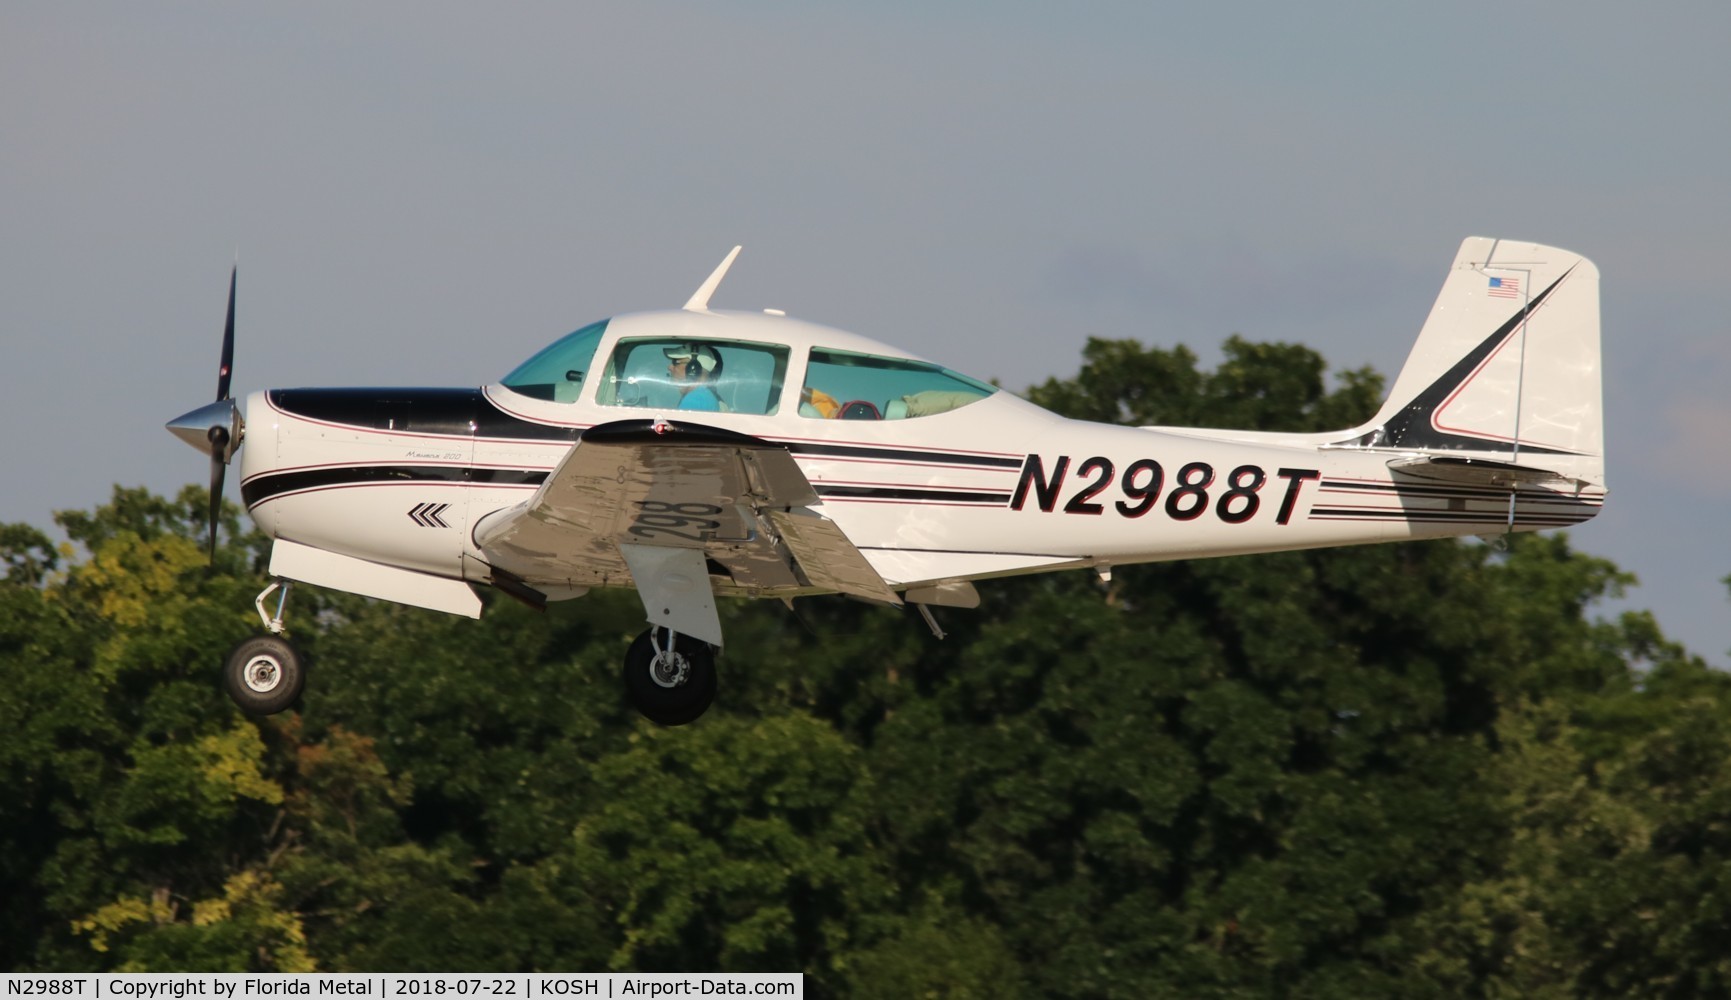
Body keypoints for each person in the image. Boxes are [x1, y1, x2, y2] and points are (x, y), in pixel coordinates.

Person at [663, 343, 724, 411]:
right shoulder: (703, 396)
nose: (669, 367)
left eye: (675, 362)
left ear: (693, 368)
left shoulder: (696, 399)